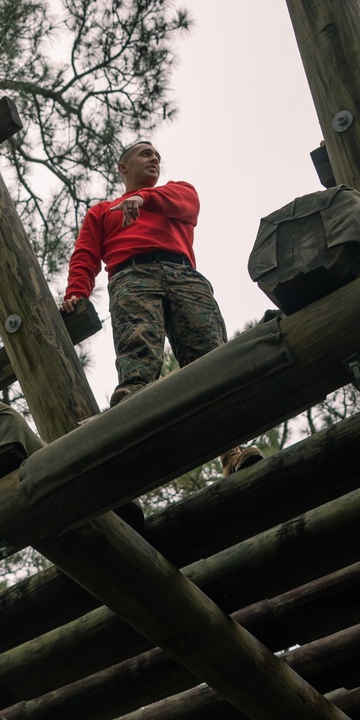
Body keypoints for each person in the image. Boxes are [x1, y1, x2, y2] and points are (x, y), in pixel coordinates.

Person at [61, 140, 262, 477]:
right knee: (138, 353)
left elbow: (188, 204)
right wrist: (76, 294)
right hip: (131, 275)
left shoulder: (176, 192)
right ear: (123, 168)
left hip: (183, 275)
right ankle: (132, 434)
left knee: (211, 356)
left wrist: (143, 199)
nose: (154, 159)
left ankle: (231, 452)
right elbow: (85, 256)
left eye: (157, 156)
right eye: (145, 154)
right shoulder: (102, 212)